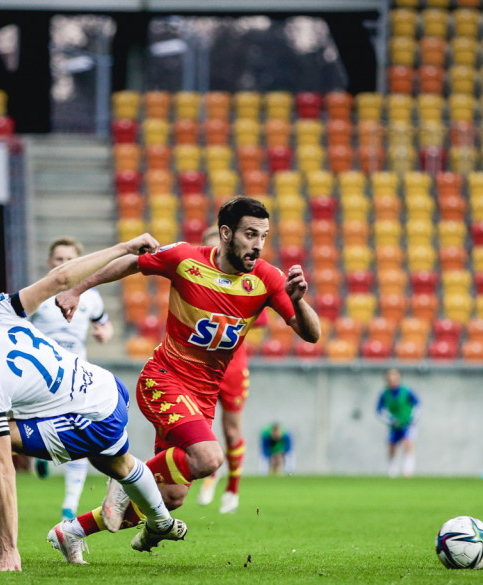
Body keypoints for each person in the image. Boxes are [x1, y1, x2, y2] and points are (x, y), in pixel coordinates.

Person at [0, 233, 187, 572]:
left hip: (88, 417)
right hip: (104, 386)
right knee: (118, 464)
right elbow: (60, 279)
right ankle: (159, 521)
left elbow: (4, 470)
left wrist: (11, 550)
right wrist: (125, 247)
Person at [54, 196, 320, 543]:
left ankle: (72, 531)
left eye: (264, 236)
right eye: (250, 235)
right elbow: (132, 263)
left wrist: (298, 300)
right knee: (209, 457)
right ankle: (123, 480)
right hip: (163, 379)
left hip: (202, 396)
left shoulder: (268, 279)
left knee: (172, 497)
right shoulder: (185, 259)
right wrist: (78, 290)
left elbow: (311, 335)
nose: (258, 245)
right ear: (226, 233)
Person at [29, 237, 115, 520]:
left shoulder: (90, 296)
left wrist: (105, 333)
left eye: (69, 259)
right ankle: (38, 457)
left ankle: (69, 507)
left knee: (81, 434)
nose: (63, 264)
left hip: (76, 375)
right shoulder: (37, 295)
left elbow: (104, 323)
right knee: (33, 430)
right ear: (49, 263)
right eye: (58, 259)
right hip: (39, 377)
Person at [195, 226, 256, 513]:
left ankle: (233, 486)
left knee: (232, 432)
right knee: (198, 428)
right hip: (200, 367)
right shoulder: (193, 281)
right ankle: (209, 473)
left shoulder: (246, 282)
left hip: (232, 367)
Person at [376, 368, 420, 478]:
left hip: (407, 423)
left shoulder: (406, 390)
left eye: (394, 376)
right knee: (391, 445)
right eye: (390, 377)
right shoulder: (385, 393)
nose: (392, 379)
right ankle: (392, 469)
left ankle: (408, 469)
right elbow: (379, 410)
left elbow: (417, 404)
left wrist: (413, 418)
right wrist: (390, 420)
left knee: (407, 443)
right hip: (394, 425)